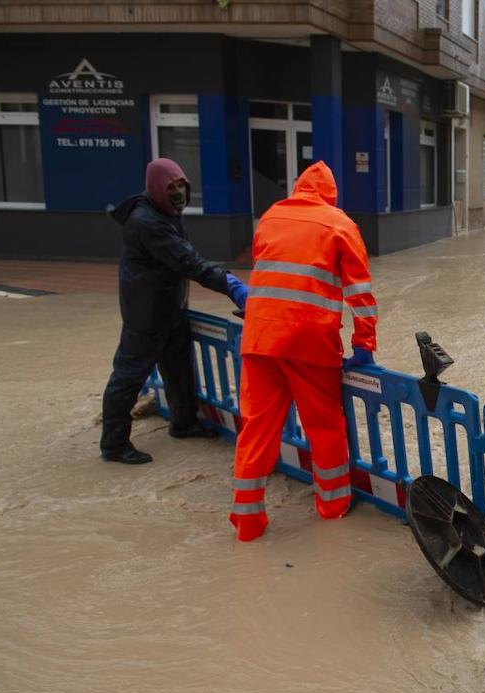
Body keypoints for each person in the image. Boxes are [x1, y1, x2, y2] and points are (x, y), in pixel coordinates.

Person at [228, 161, 377, 543]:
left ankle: (247, 522)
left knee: (256, 428)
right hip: (309, 342)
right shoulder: (340, 224)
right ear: (330, 195)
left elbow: (266, 270)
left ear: (297, 189)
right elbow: (359, 293)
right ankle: (333, 507)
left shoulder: (270, 217)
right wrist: (364, 344)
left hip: (260, 337)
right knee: (324, 426)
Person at [100, 158, 248, 464]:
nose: (178, 193)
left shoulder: (166, 212)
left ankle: (184, 423)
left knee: (179, 370)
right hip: (146, 313)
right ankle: (114, 443)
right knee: (129, 376)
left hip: (171, 307)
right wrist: (231, 285)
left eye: (182, 186)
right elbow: (188, 262)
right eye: (171, 187)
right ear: (156, 188)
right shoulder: (148, 222)